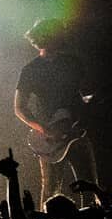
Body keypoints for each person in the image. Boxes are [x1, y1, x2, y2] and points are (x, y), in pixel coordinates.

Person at [13, 18, 98, 204]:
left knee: (89, 187)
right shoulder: (30, 70)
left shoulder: (72, 63)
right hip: (49, 138)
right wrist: (43, 128)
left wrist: (90, 101)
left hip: (75, 132)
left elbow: (84, 94)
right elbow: (19, 107)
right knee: (51, 191)